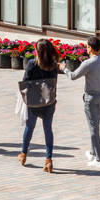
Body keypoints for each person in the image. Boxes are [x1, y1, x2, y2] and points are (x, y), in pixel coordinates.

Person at [67, 34, 100, 168]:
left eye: (87, 47)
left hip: (90, 98)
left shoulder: (88, 63)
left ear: (91, 48)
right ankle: (93, 152)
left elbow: (73, 76)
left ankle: (99, 159)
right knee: (96, 124)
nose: (86, 49)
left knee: (93, 129)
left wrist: (63, 68)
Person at [19, 38, 60, 172]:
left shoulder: (32, 63)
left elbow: (25, 81)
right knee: (48, 130)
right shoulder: (54, 65)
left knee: (29, 128)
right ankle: (48, 160)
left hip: (34, 102)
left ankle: (23, 154)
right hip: (49, 102)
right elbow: (54, 83)